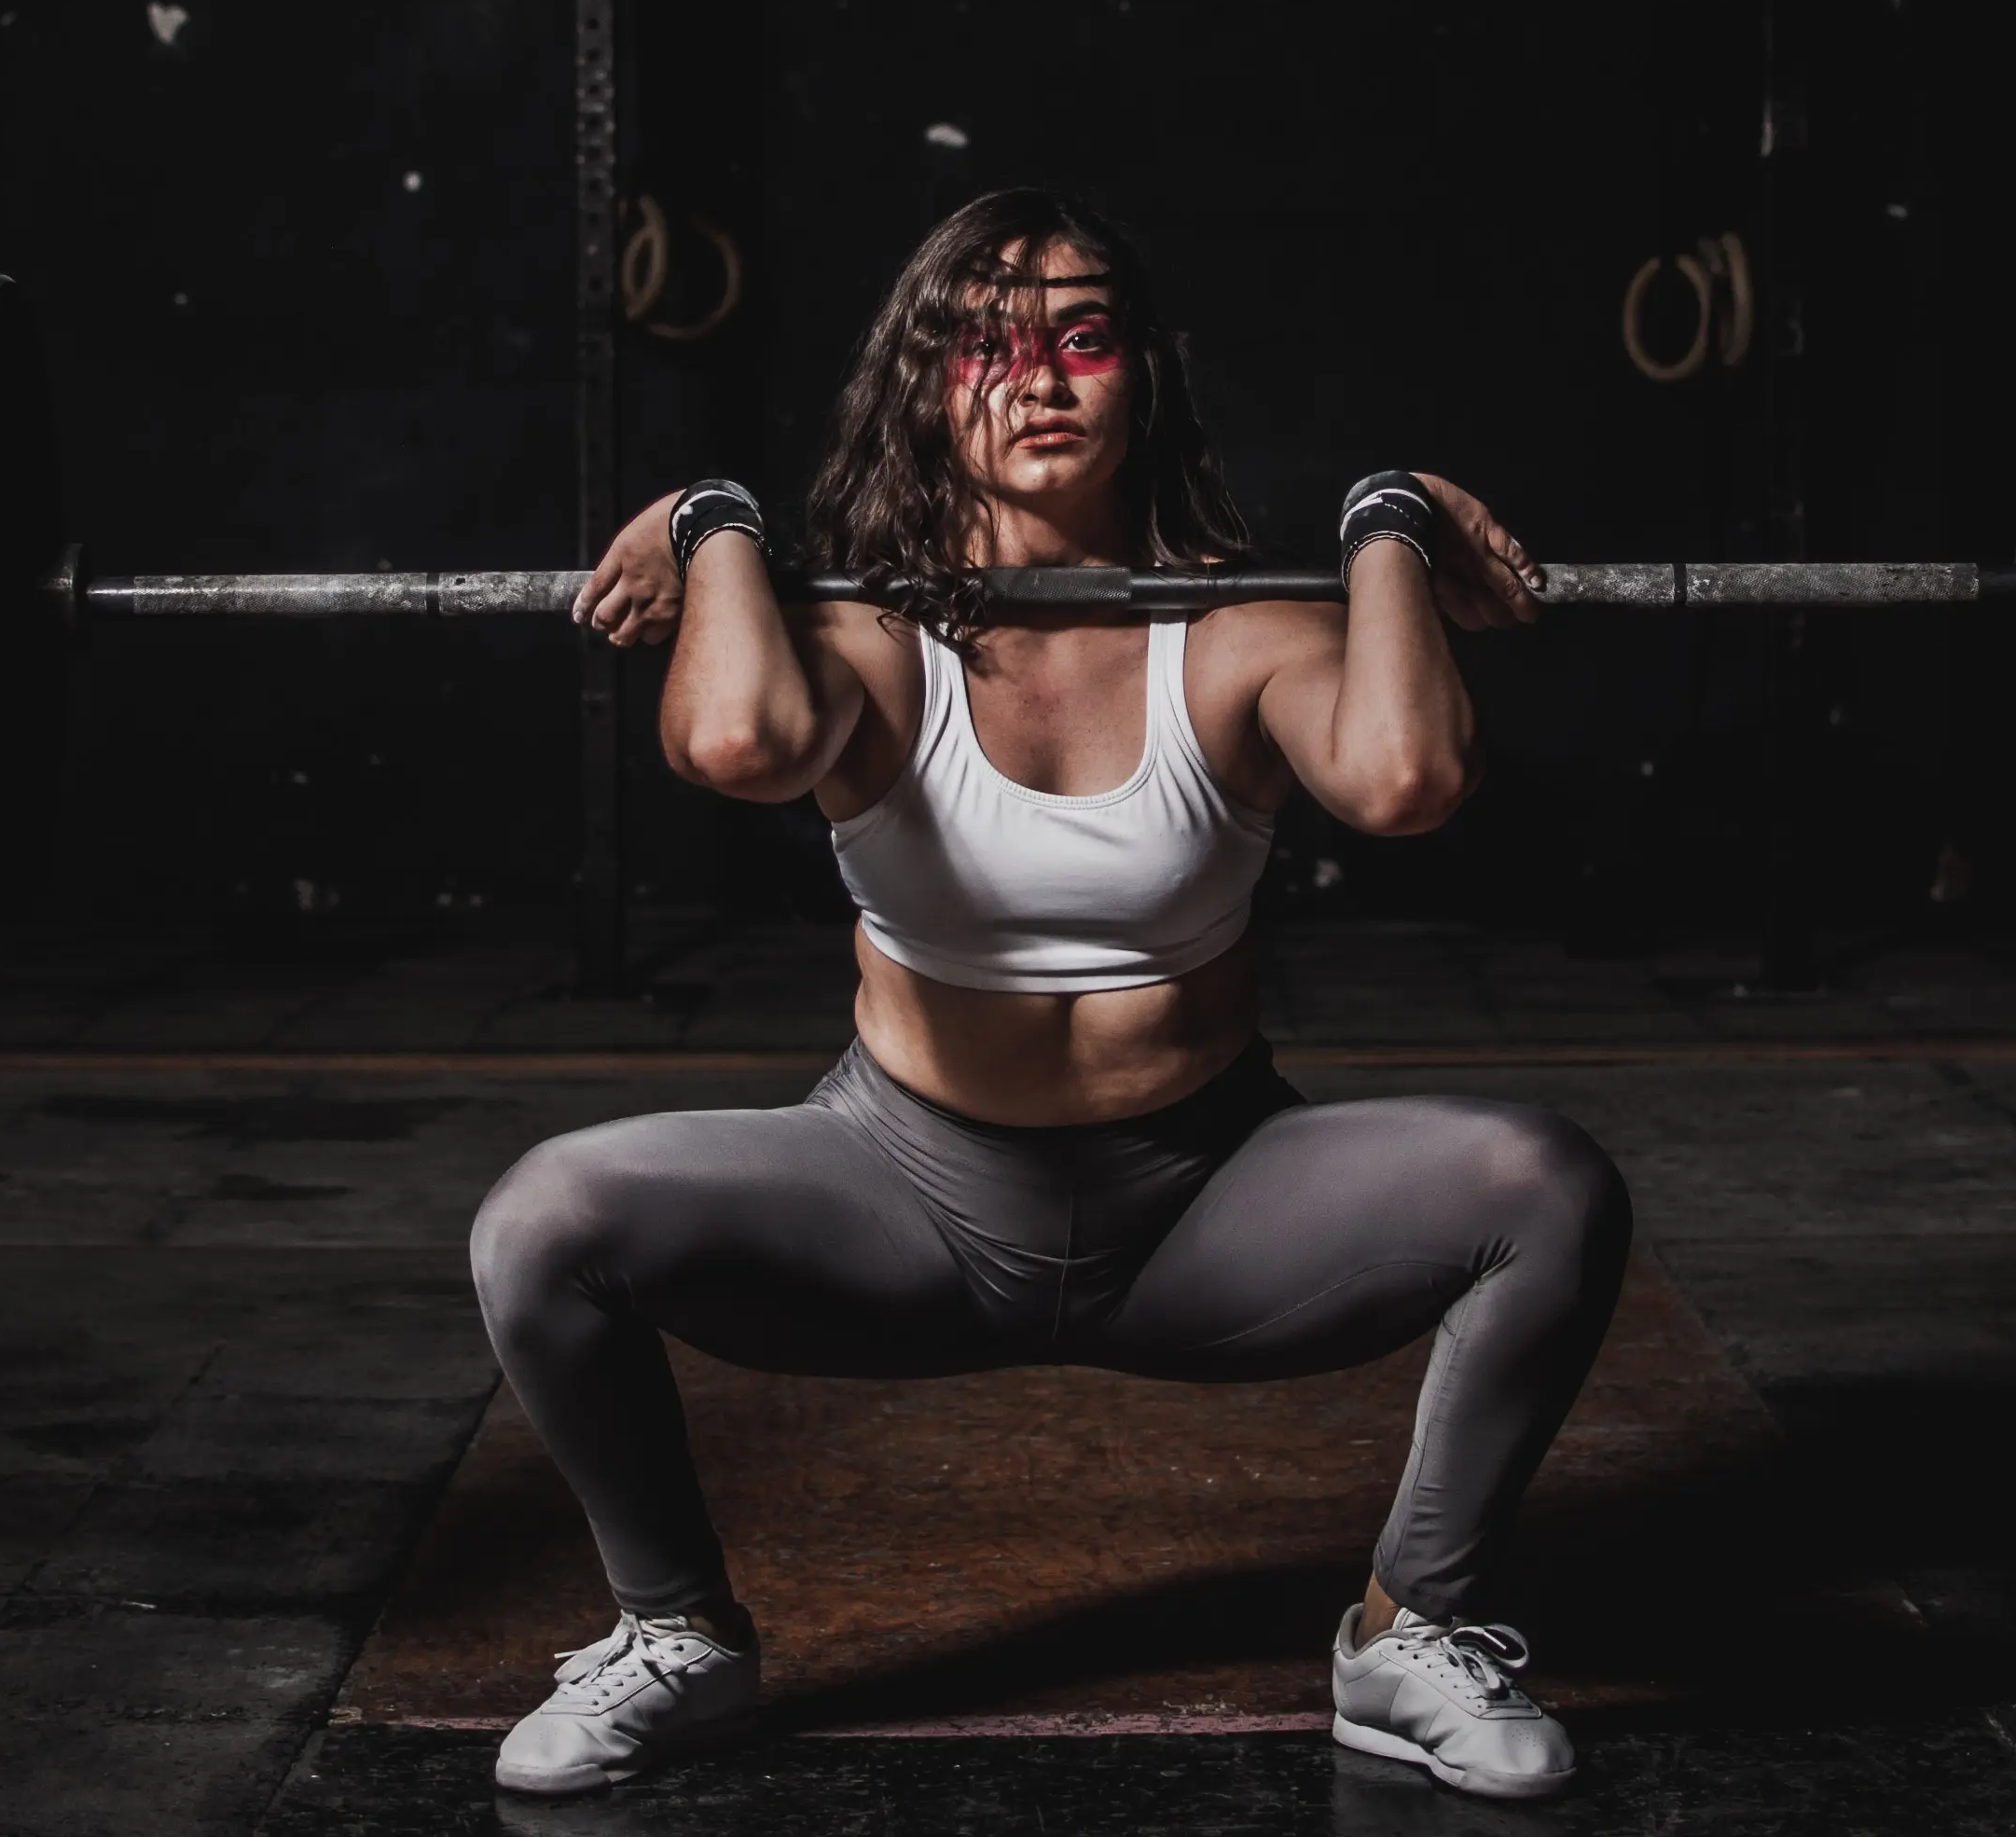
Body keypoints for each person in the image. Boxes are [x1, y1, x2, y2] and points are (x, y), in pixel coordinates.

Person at [472, 188, 1631, 1801]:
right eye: (983, 345)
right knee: (543, 1221)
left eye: (1081, 338)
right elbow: (737, 745)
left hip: (1208, 1207)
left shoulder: (1237, 631)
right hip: (901, 1205)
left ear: (1142, 375)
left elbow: (1410, 778)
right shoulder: (872, 640)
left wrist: (1386, 524)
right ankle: (679, 1633)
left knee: (1547, 1187)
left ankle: (1409, 1631)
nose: (1038, 378)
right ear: (923, 384)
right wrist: (715, 522)